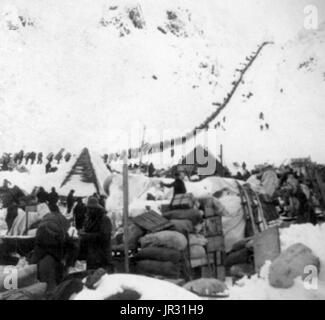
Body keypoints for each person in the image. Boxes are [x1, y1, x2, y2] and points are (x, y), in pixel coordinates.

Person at [30, 210, 75, 292]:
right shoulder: (60, 229)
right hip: (52, 257)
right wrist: (68, 263)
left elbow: (37, 247)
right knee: (51, 284)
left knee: (44, 282)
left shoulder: (43, 228)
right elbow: (70, 245)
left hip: (44, 257)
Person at [78, 197, 112, 271]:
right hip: (91, 255)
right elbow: (87, 229)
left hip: (101, 255)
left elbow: (104, 236)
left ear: (97, 209)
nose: (90, 210)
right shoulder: (90, 219)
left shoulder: (105, 219)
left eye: (92, 209)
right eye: (89, 208)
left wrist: (87, 236)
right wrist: (82, 233)